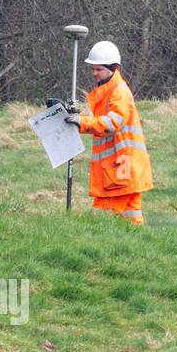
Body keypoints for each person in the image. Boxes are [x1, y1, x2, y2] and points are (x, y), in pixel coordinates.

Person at [63, 41, 153, 225]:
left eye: (98, 69)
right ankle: (133, 241)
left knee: (101, 217)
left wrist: (82, 122)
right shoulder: (108, 90)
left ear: (112, 68)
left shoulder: (119, 92)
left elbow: (111, 123)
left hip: (120, 167)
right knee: (130, 214)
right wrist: (81, 119)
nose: (94, 73)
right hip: (120, 167)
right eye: (93, 69)